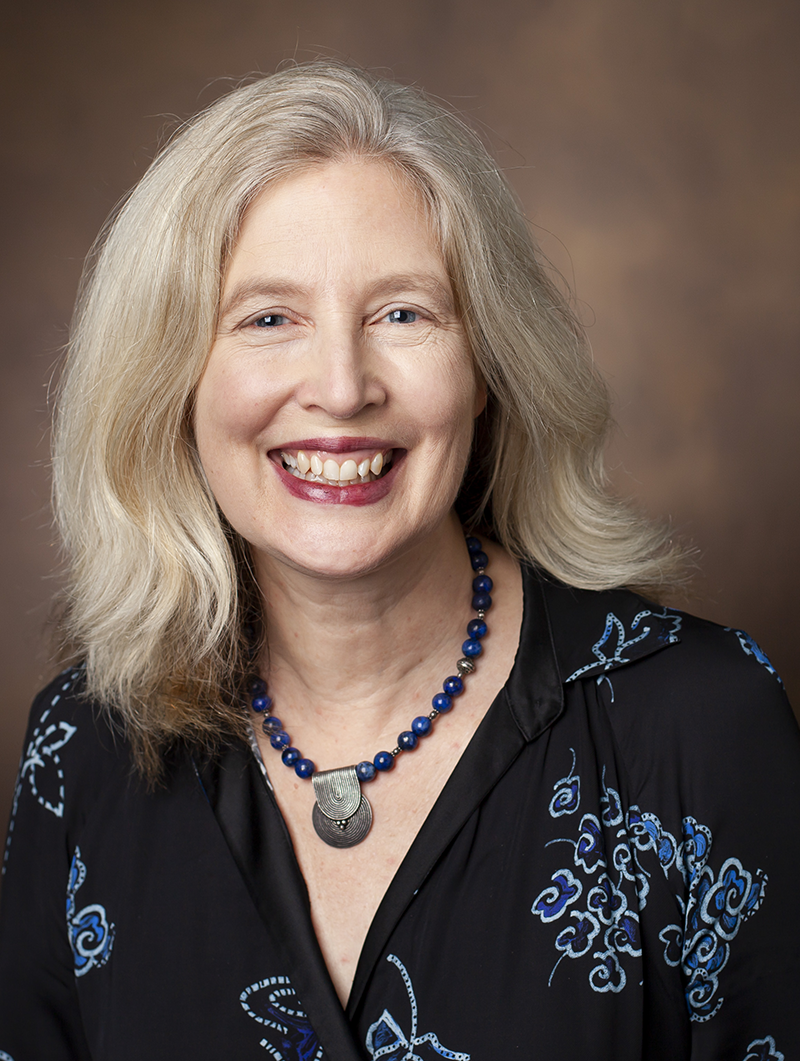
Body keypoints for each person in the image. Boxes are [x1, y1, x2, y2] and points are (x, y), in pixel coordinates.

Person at [0, 60, 797, 1061]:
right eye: (267, 318)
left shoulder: (696, 724)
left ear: (486, 372)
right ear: (172, 383)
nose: (339, 387)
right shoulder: (82, 748)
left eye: (403, 313)